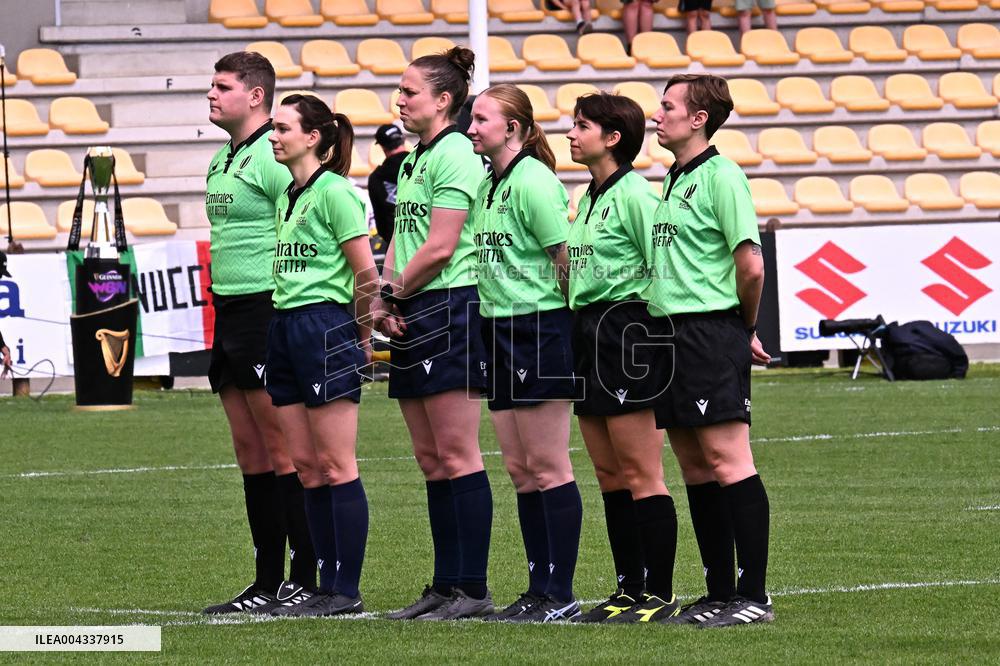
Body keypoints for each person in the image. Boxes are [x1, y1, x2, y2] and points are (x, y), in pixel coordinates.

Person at [649, 73, 773, 628]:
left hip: (707, 332)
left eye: (668, 106)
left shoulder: (722, 176)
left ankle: (754, 595)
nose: (658, 114)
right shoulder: (675, 179)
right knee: (696, 467)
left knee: (728, 461)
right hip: (670, 332)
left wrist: (739, 327)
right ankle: (718, 591)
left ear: (698, 118)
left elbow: (750, 265)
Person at [376, 47, 494, 621]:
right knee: (430, 457)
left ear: (444, 100)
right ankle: (445, 585)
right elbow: (402, 237)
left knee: (457, 452)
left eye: (409, 91)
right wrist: (384, 293)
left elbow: (443, 244)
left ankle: (472, 587)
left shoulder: (458, 155)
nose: (399, 99)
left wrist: (394, 291)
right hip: (415, 305)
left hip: (451, 306)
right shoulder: (411, 160)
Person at [202, 51, 317, 615]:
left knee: (282, 449)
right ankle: (266, 577)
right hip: (227, 314)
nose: (211, 94)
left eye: (222, 86)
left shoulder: (273, 159)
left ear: (256, 96)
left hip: (265, 311)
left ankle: (303, 574)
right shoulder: (223, 159)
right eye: (212, 85)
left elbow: (301, 226)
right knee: (250, 452)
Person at [466, 84, 583, 623]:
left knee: (548, 466)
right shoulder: (493, 182)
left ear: (512, 128)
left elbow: (566, 260)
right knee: (519, 468)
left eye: (482, 120)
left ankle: (559, 592)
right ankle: (539, 588)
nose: (472, 128)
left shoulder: (534, 181)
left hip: (537, 329)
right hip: (500, 329)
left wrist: (563, 324)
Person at [565, 92, 680, 624]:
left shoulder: (636, 195)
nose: (571, 134)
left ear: (613, 138)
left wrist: (652, 342)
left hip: (629, 330)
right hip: (587, 332)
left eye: (582, 125)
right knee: (609, 473)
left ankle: (658, 592)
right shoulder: (587, 196)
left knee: (640, 471)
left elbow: (664, 269)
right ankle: (628, 589)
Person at [263, 94, 378, 617]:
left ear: (314, 137)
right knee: (306, 466)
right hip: (285, 325)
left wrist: (362, 333)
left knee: (335, 463)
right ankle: (320, 585)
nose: (274, 135)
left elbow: (364, 275)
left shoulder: (335, 192)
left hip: (323, 324)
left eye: (283, 127)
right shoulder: (291, 192)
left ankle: (343, 589)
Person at [368, 123, 409, 246]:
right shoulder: (422, 165)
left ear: (382, 146)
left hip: (395, 246)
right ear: (403, 140)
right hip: (425, 242)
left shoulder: (376, 178)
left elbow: (381, 224)